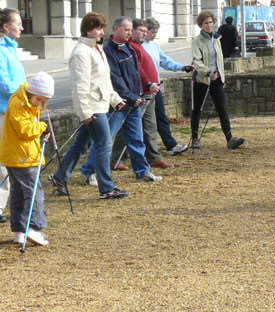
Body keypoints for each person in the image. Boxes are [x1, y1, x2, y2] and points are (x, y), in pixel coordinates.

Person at [48, 12, 129, 200]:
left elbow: (103, 80)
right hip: (92, 107)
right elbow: (80, 86)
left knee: (81, 144)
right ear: (88, 29)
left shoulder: (96, 49)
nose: (102, 32)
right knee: (104, 144)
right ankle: (106, 188)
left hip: (99, 104)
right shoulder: (81, 52)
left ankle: (60, 177)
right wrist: (84, 112)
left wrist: (115, 99)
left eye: (102, 27)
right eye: (98, 28)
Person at [103, 16, 163, 182]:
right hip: (119, 103)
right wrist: (130, 97)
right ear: (116, 29)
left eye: (130, 30)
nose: (129, 33)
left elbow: (137, 72)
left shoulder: (129, 47)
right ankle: (90, 171)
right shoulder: (109, 51)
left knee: (137, 139)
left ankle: (142, 171)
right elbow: (115, 78)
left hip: (135, 102)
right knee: (106, 139)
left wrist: (147, 85)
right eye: (126, 30)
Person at [0, 72, 54, 246]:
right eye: (38, 99)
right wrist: (42, 126)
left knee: (19, 193)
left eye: (43, 101)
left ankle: (20, 231)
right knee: (34, 192)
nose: (39, 104)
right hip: (23, 157)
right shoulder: (20, 103)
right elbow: (24, 130)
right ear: (31, 92)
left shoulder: (24, 101)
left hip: (17, 156)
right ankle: (34, 228)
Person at [191, 11, 244, 150]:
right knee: (197, 109)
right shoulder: (197, 41)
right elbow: (196, 61)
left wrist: (221, 77)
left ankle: (230, 139)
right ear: (201, 25)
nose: (209, 25)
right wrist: (208, 72)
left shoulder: (217, 39)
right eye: (205, 23)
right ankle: (195, 139)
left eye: (210, 22)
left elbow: (219, 60)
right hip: (202, 79)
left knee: (222, 108)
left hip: (217, 79)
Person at [143, 17, 191, 155]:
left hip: (155, 87)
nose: (155, 35)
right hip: (143, 88)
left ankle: (171, 145)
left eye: (156, 32)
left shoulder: (154, 46)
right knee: (141, 121)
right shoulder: (139, 46)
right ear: (146, 30)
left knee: (161, 117)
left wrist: (181, 67)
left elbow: (165, 61)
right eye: (153, 32)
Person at [0, 8, 26, 224]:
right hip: (3, 112)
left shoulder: (11, 48)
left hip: (14, 111)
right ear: (6, 26)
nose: (22, 27)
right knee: (2, 161)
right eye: (18, 23)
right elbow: (4, 83)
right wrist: (26, 93)